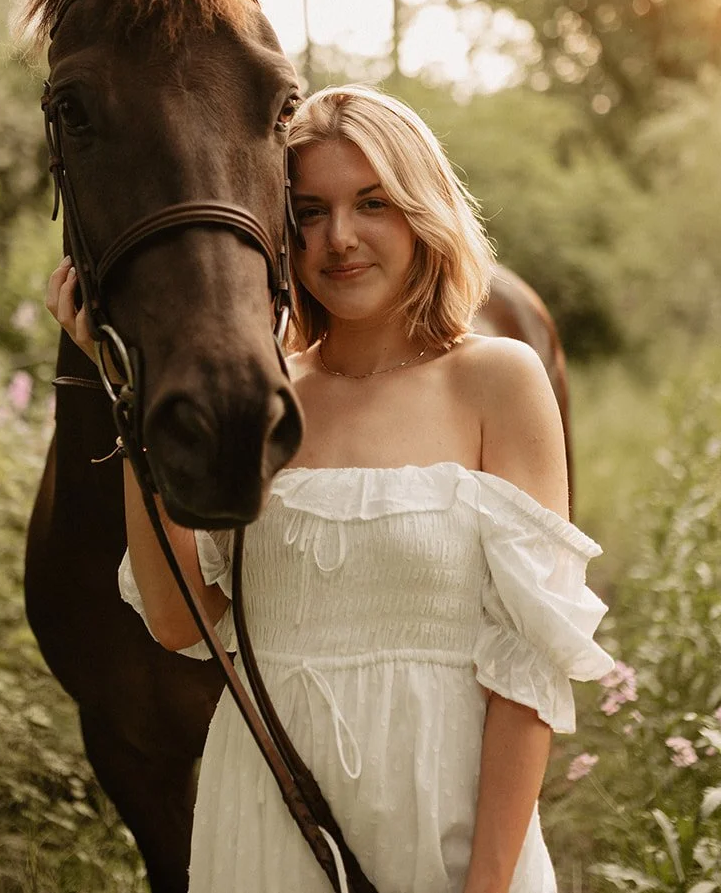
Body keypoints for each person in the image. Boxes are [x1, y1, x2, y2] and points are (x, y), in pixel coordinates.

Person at [45, 85, 614, 893]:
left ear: (422, 210)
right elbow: (178, 621)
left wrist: (486, 885)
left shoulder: (498, 381)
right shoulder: (268, 398)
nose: (338, 239)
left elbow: (527, 665)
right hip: (269, 820)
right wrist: (126, 387)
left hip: (443, 825)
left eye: (371, 203)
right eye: (308, 212)